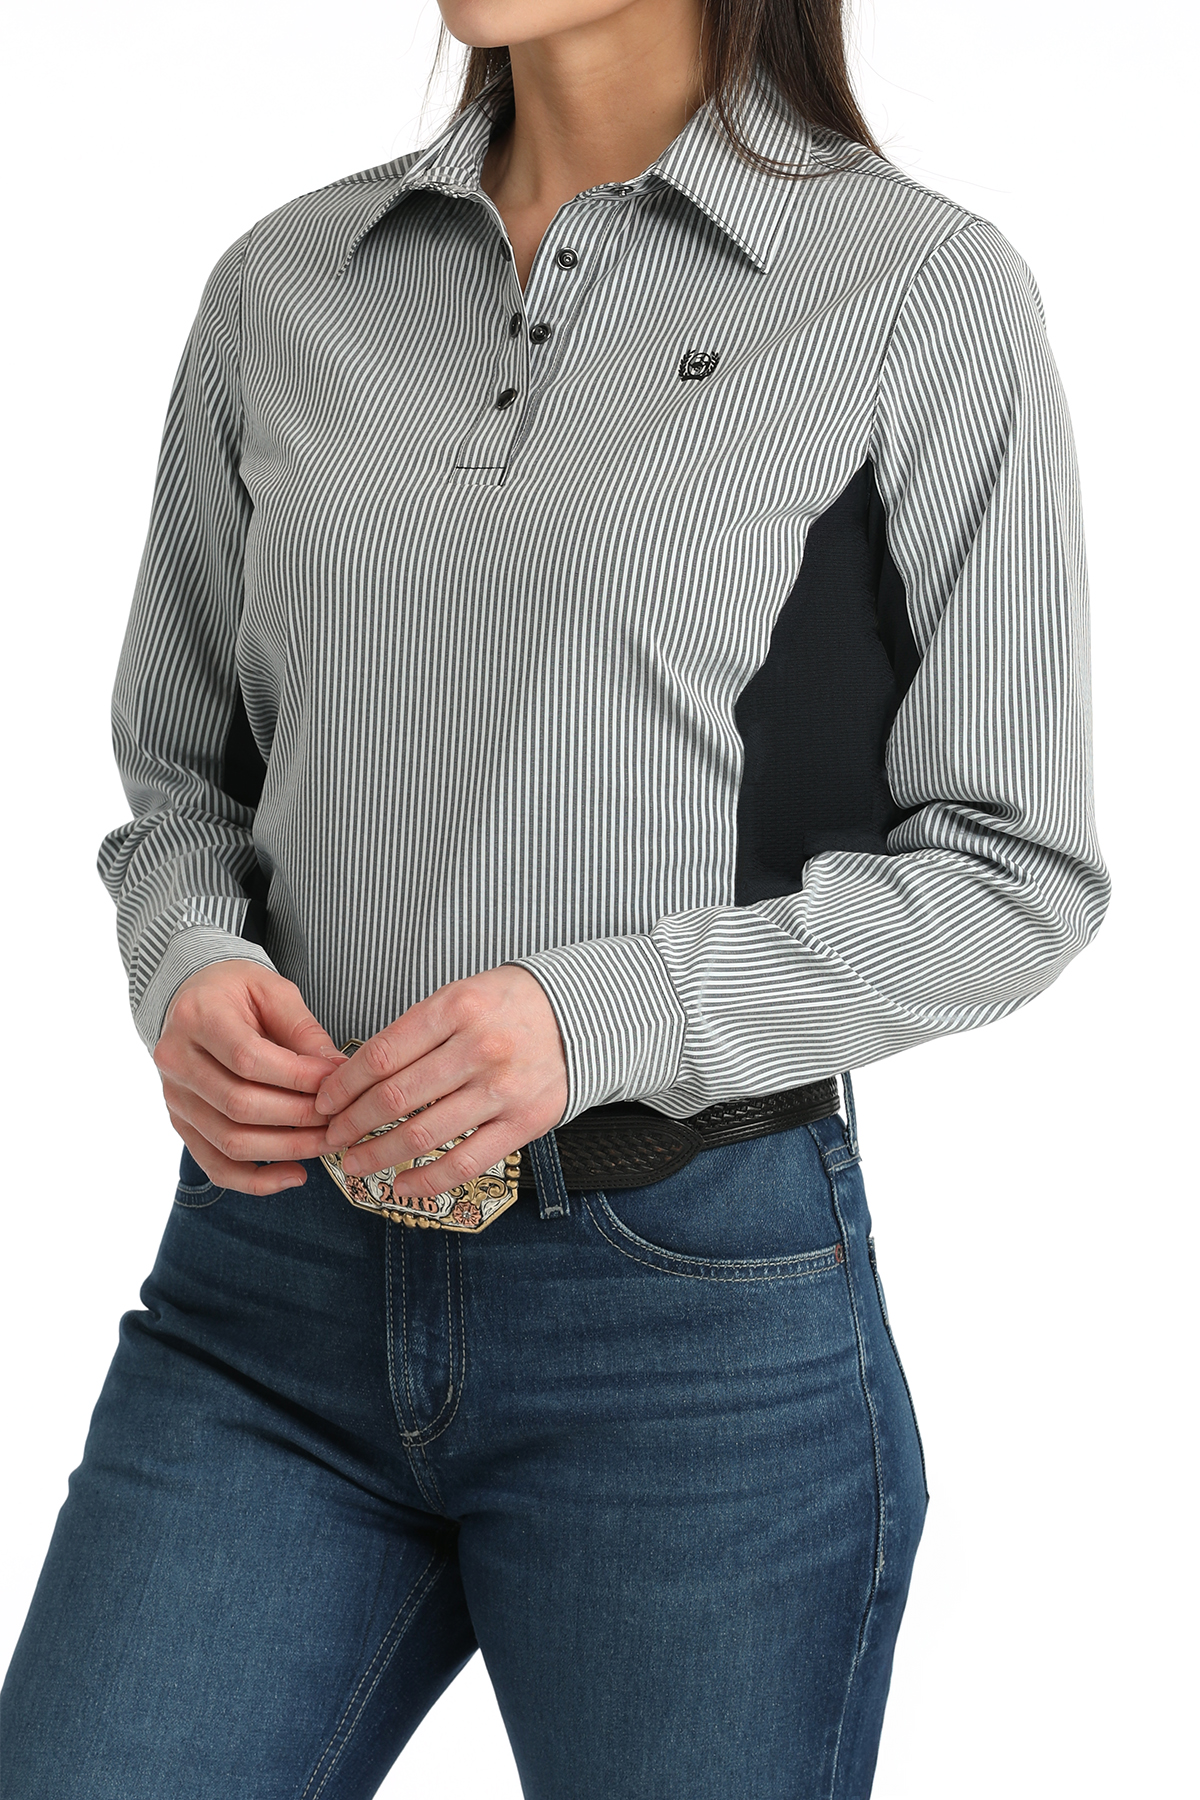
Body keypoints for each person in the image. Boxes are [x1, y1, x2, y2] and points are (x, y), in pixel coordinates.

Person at [0, 0, 1109, 1794]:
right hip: (263, 1300)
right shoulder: (287, 282)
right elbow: (184, 782)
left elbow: (1016, 871)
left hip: (687, 1342)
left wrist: (597, 1018)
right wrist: (184, 962)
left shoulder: (917, 292)